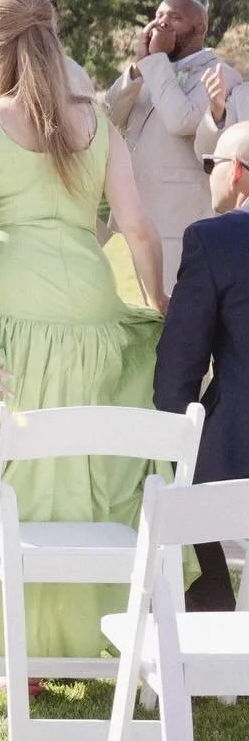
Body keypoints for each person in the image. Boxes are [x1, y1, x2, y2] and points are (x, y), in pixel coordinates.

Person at [0, 0, 166, 677]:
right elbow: (138, 228)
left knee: (18, 469)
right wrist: (160, 306)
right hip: (94, 310)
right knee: (81, 467)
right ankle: (78, 636)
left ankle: (16, 650)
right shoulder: (96, 122)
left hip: (13, 311)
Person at [153, 120, 249, 612]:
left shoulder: (215, 241)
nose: (206, 171)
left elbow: (177, 375)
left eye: (209, 162)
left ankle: (210, 594)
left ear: (237, 172)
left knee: (166, 447)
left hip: (236, 461)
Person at [105, 0, 238, 291]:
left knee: (174, 306)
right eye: (159, 16)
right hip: (135, 215)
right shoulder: (152, 71)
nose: (162, 24)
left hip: (178, 218)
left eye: (175, 18)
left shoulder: (219, 74)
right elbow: (110, 116)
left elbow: (182, 121)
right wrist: (138, 69)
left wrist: (155, 62)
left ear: (199, 29)